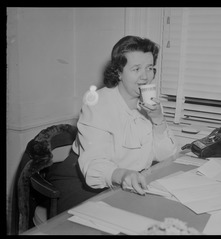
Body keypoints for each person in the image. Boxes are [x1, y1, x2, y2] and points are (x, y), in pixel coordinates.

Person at [46, 35, 178, 214]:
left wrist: (158, 119)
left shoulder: (151, 104)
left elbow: (166, 156)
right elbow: (94, 164)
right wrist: (123, 175)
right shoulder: (98, 105)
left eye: (150, 68)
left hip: (128, 182)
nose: (145, 77)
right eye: (136, 69)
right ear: (118, 72)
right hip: (83, 183)